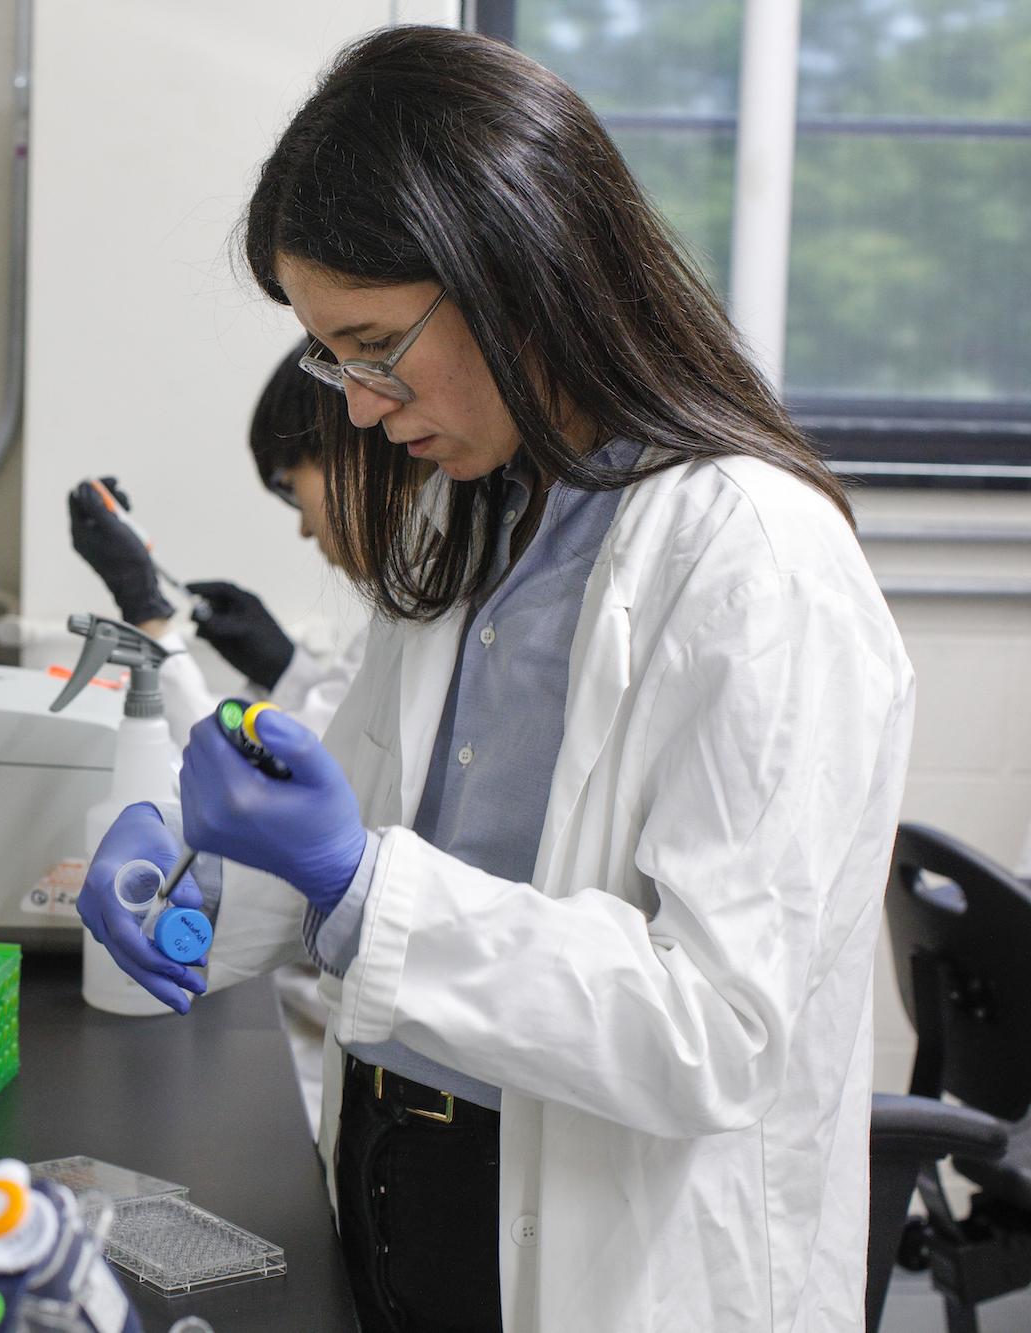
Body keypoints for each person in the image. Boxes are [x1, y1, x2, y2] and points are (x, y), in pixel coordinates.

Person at [77, 26, 913, 1333]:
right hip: (403, 1174)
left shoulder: (754, 557)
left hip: (608, 1253)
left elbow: (716, 1026)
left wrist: (361, 879)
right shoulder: (466, 517)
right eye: (329, 357)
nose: (355, 408)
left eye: (373, 346)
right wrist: (200, 882)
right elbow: (363, 827)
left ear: (518, 273)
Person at [67, 341, 369, 745]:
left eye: (291, 489)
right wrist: (283, 670)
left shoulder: (417, 619)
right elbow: (337, 728)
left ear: (354, 452)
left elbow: (267, 770)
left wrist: (148, 617)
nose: (305, 530)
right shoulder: (396, 621)